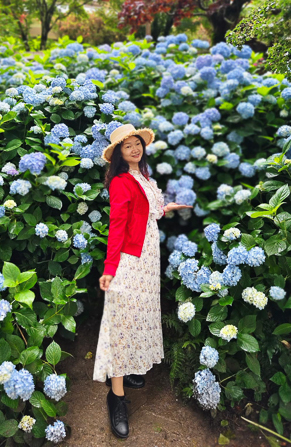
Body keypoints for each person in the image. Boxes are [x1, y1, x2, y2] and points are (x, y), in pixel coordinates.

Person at [92, 123, 193, 439]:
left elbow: (148, 213)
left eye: (137, 143)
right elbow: (117, 226)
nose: (135, 149)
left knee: (138, 317)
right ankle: (116, 397)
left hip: (149, 259)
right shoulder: (121, 182)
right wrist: (110, 269)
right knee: (122, 322)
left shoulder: (145, 179)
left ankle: (126, 373)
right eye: (127, 146)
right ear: (119, 156)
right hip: (129, 261)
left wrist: (167, 208)